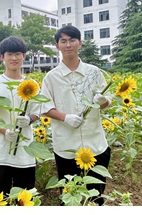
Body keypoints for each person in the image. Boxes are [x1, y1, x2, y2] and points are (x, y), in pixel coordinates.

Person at [41, 26, 112, 204]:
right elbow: (44, 107)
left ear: (80, 43)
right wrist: (65, 117)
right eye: (63, 41)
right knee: (69, 198)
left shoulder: (94, 72)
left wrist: (102, 100)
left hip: (95, 145)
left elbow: (106, 105)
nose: (68, 44)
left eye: (72, 40)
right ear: (57, 46)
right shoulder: (51, 78)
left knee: (95, 198)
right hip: (66, 148)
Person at [0, 36, 40, 195]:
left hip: (25, 153)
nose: (14, 58)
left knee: (24, 199)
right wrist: (5, 131)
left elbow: (38, 111)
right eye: (9, 54)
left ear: (24, 56)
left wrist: (29, 119)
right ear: (2, 57)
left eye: (18, 53)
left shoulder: (32, 85)